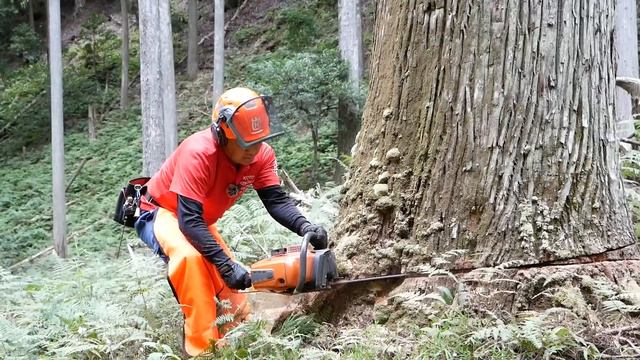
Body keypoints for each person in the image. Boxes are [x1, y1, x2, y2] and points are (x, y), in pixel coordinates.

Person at [133, 87, 328, 356]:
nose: (253, 150)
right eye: (246, 144)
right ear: (223, 133)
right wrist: (225, 265)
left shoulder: (262, 155)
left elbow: (276, 200)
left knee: (233, 288)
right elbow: (188, 221)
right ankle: (202, 351)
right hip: (162, 212)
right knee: (191, 261)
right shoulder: (199, 152)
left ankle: (239, 339)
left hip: (197, 219)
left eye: (258, 142)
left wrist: (305, 227)